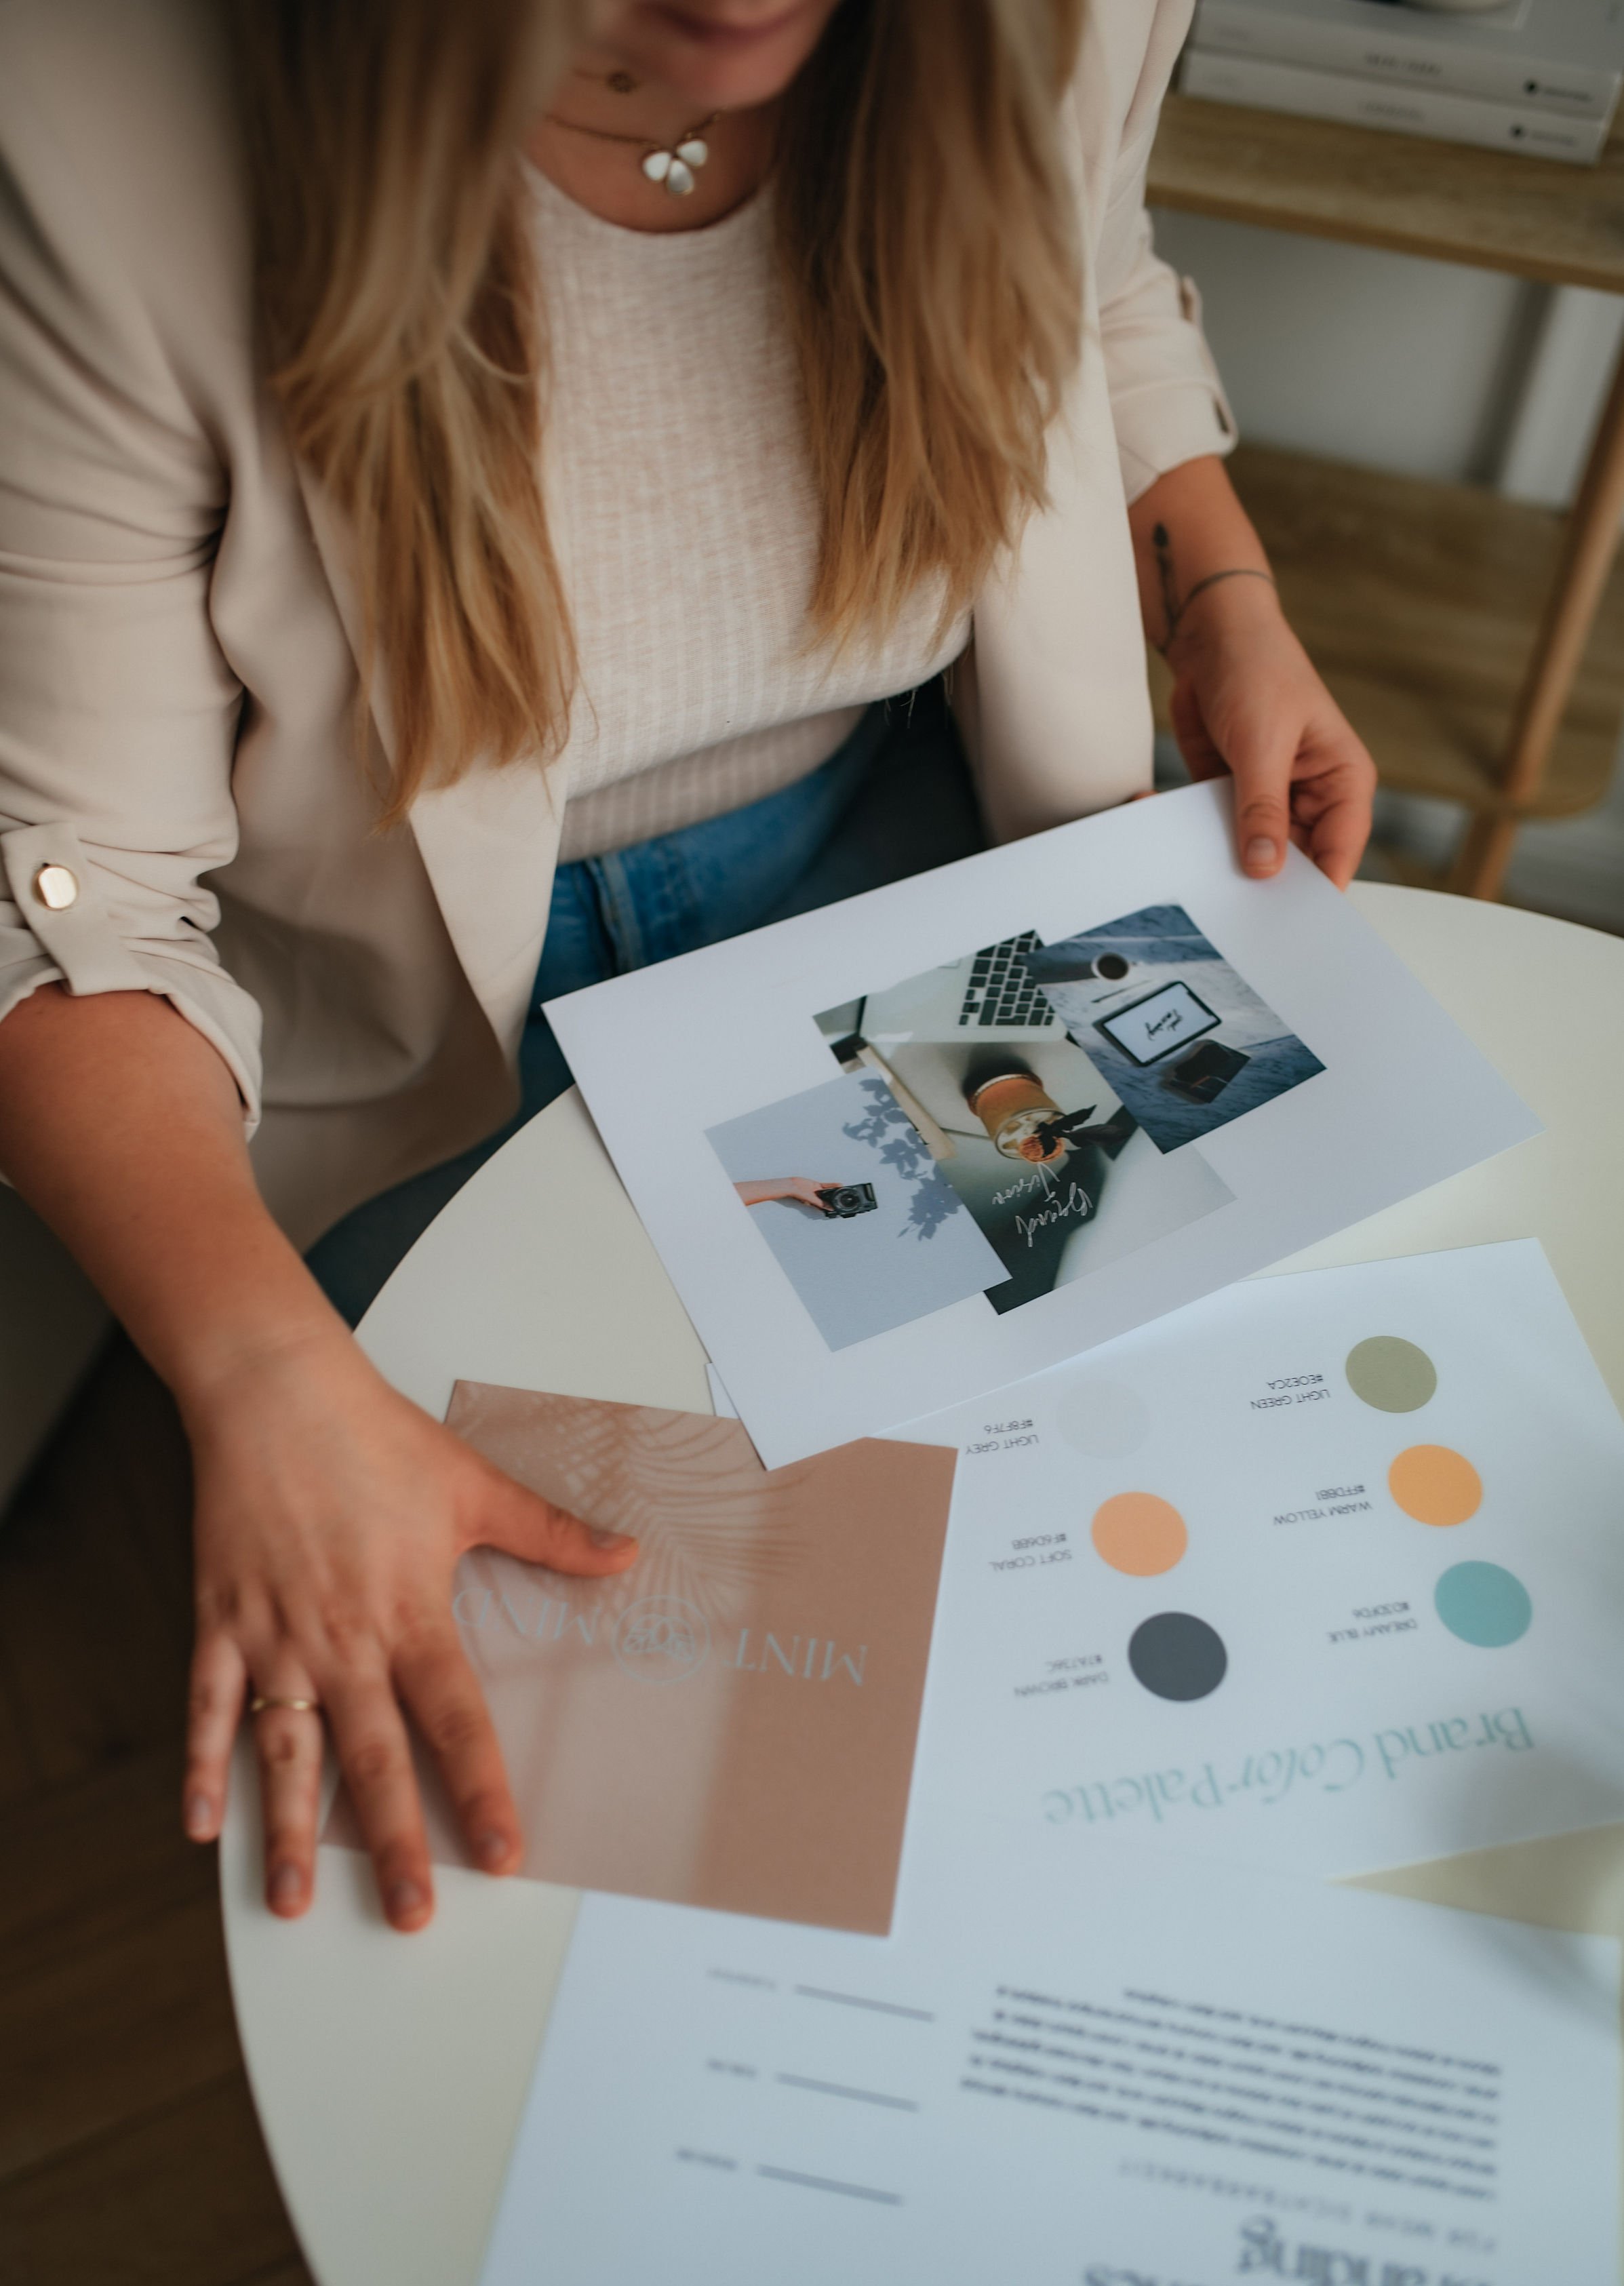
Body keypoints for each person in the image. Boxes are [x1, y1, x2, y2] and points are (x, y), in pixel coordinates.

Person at [0, 0, 1377, 1933]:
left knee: (1123, 1565)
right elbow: (74, 896)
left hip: (907, 868)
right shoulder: (96, 109)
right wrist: (249, 1371)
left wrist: (1219, 595)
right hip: (422, 1017)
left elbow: (1093, 278)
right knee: (616, 1817)